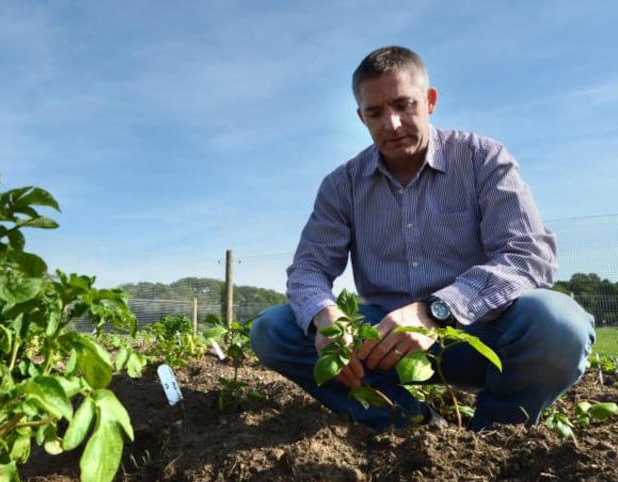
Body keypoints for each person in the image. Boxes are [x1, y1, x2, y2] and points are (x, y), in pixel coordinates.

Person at [250, 45, 595, 432]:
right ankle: (408, 423)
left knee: (558, 324)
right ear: (361, 116)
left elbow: (528, 254)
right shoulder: (342, 185)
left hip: (479, 335)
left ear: (429, 101)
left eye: (403, 105)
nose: (392, 124)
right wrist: (325, 317)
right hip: (382, 345)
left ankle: (498, 436)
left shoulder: (482, 159)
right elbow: (309, 268)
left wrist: (435, 310)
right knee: (275, 329)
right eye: (375, 112)